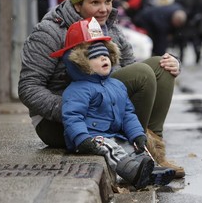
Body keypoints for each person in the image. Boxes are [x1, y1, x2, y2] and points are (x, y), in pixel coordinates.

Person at [18, 0, 185, 178]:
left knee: (160, 66)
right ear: (77, 5)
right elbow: (28, 87)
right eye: (95, 2)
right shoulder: (49, 32)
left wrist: (174, 63)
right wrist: (73, 109)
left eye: (108, 1)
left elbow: (128, 68)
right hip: (60, 121)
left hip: (102, 105)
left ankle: (152, 150)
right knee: (144, 73)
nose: (104, 9)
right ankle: (135, 157)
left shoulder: (109, 27)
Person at [51, 17, 176, 189]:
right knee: (110, 147)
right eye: (95, 56)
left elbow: (127, 113)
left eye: (106, 54)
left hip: (112, 134)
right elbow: (72, 117)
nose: (104, 59)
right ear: (80, 63)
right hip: (91, 137)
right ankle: (133, 173)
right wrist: (82, 138)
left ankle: (150, 171)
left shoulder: (116, 85)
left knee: (130, 147)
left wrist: (137, 135)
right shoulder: (77, 90)